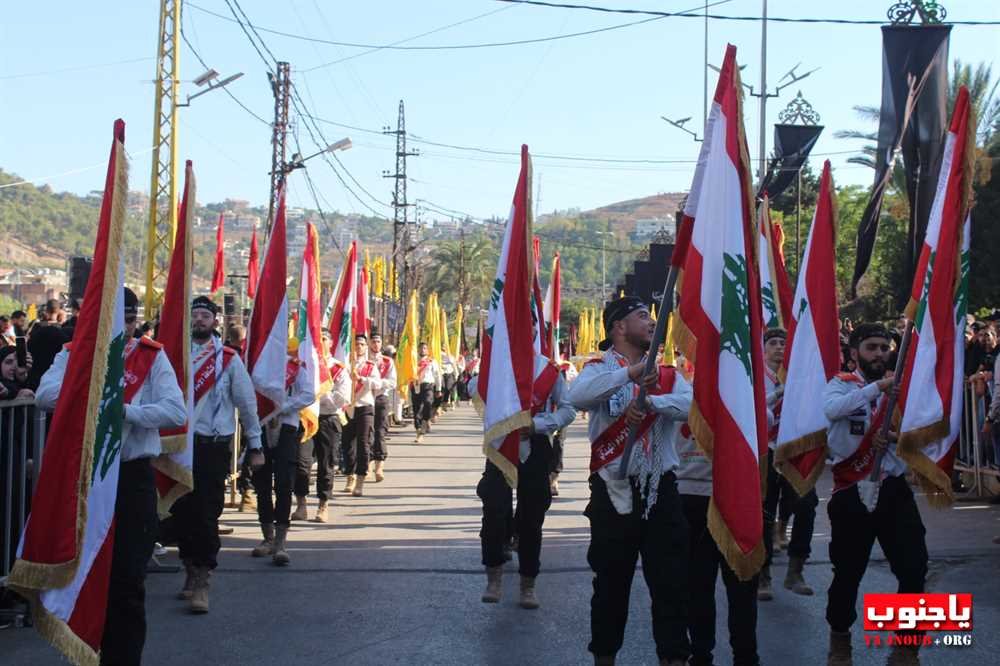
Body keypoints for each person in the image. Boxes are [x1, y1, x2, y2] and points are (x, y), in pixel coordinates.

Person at [36, 287, 185, 665]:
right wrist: (93, 397)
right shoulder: (74, 354)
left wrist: (125, 411)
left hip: (131, 477)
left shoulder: (152, 357)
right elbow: (45, 393)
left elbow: (174, 410)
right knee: (83, 578)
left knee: (127, 581)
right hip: (86, 478)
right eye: (120, 321)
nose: (127, 328)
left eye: (131, 321)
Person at [567, 296, 692, 666]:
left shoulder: (670, 373)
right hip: (613, 488)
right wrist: (630, 376)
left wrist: (652, 404)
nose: (652, 322)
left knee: (670, 583)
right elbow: (579, 396)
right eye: (642, 316)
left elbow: (690, 408)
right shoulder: (598, 369)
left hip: (661, 488)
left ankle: (673, 658)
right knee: (610, 585)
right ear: (619, 327)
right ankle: (605, 657)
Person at [823, 323, 928, 666]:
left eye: (885, 348)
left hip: (893, 489)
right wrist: (877, 389)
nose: (880, 354)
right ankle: (840, 640)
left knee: (914, 567)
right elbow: (833, 411)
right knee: (848, 574)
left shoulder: (898, 391)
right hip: (852, 491)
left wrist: (895, 438)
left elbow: (914, 434)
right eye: (872, 347)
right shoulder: (840, 385)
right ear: (854, 353)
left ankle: (906, 645)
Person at [171, 295, 263, 614]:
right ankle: (188, 567)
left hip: (213, 446)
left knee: (207, 513)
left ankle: (202, 578)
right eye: (194, 315)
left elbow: (247, 404)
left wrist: (255, 444)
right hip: (181, 446)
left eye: (204, 316)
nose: (199, 320)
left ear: (215, 322)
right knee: (181, 510)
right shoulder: (175, 356)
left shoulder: (228, 359)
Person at [472, 353, 575, 609]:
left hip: (536, 444)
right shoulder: (495, 362)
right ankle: (493, 577)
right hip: (501, 443)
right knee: (494, 510)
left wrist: (539, 424)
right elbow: (472, 387)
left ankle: (528, 583)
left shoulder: (548, 370)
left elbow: (568, 409)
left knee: (532, 517)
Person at [677, 397, 760, 666]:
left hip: (737, 494)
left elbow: (766, 419)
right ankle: (700, 655)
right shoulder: (677, 388)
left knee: (742, 586)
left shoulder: (740, 390)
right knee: (698, 586)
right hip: (692, 497)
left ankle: (745, 656)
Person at [759, 328, 817, 601]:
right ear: (763, 348)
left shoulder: (802, 375)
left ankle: (796, 570)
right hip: (767, 452)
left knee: (807, 504)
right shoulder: (757, 379)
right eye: (773, 343)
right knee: (764, 511)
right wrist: (781, 392)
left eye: (784, 343)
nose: (779, 347)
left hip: (796, 451)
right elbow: (753, 409)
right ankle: (763, 574)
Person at [252, 337, 314, 564]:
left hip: (287, 427)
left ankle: (281, 540)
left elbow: (308, 394)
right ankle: (266, 537)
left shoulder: (295, 368)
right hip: (260, 427)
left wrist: (282, 407)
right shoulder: (259, 367)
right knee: (261, 482)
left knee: (284, 483)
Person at [294, 329, 352, 523]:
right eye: (317, 339)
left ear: (331, 342)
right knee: (302, 463)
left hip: (328, 418)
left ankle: (323, 504)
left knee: (326, 463)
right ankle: (301, 504)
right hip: (307, 417)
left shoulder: (338, 369)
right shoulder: (305, 366)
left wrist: (320, 393)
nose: (321, 342)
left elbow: (341, 398)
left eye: (324, 339)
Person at [341, 334, 381, 496]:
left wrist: (363, 379)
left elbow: (378, 383)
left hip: (365, 406)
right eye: (356, 344)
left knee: (363, 444)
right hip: (348, 408)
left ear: (366, 347)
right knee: (347, 445)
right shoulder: (345, 365)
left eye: (362, 344)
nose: (359, 347)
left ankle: (360, 480)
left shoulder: (371, 366)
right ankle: (349, 475)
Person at [369, 333, 397, 482]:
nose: (375, 344)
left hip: (381, 399)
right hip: (365, 399)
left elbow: (393, 382)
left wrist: (377, 383)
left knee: (379, 432)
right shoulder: (362, 361)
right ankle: (366, 464)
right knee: (366, 434)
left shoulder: (387, 361)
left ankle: (379, 466)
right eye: (373, 341)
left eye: (378, 341)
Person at [412, 341, 441, 443]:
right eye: (421, 348)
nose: (422, 350)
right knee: (416, 410)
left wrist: (438, 389)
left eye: (424, 348)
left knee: (428, 403)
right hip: (416, 386)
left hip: (428, 385)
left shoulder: (432, 361)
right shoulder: (413, 360)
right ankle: (419, 432)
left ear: (428, 350)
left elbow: (437, 375)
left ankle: (425, 422)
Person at [439, 345, 457, 413]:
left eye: (444, 347)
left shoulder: (450, 357)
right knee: (442, 388)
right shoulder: (438, 355)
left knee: (448, 388)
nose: (443, 348)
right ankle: (443, 405)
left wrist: (456, 375)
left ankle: (447, 403)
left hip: (449, 374)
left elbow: (454, 366)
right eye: (442, 347)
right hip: (442, 374)